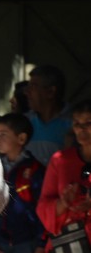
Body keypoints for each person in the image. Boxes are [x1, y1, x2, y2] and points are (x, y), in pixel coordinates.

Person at [0, 113, 46, 253]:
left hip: (28, 243)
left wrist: (42, 243)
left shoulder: (35, 170)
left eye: (3, 134)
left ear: (21, 138)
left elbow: (43, 208)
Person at [37, 99, 91, 248]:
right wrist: (63, 203)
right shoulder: (60, 160)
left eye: (88, 123)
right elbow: (43, 206)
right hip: (69, 244)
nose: (81, 129)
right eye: (76, 123)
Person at [25, 64, 72, 165]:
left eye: (33, 87)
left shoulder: (75, 123)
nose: (27, 92)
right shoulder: (24, 122)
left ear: (50, 92)